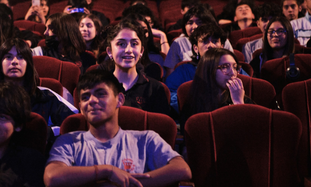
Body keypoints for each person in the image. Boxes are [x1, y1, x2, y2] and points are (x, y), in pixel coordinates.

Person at [44, 69, 192, 187]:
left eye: (100, 94)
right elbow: (51, 177)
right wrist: (107, 172)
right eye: (85, 97)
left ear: (120, 99)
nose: (92, 101)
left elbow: (182, 169)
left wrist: (130, 183)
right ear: (81, 108)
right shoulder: (68, 141)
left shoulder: (146, 139)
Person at [0, 38, 78, 137]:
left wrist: (47, 131)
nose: (14, 62)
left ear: (28, 63)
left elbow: (75, 122)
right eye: (8, 57)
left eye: (20, 57)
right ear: (0, 63)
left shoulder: (45, 96)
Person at [104, 18, 170, 115]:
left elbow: (161, 128)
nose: (128, 50)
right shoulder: (98, 87)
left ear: (141, 51)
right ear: (109, 52)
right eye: (121, 44)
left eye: (134, 44)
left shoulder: (155, 89)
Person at [180, 48, 253, 132]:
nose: (233, 73)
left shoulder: (241, 98)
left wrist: (238, 103)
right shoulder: (193, 103)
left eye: (235, 67)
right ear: (209, 70)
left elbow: (251, 133)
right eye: (225, 67)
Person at [165, 24, 226, 113]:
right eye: (205, 41)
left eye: (215, 41)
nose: (210, 45)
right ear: (195, 48)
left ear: (222, 46)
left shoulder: (233, 69)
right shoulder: (183, 71)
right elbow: (170, 95)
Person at [164, 3, 233, 78]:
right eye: (190, 23)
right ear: (195, 48)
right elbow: (170, 76)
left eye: (199, 22)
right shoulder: (178, 43)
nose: (195, 27)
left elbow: (232, 66)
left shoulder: (222, 40)